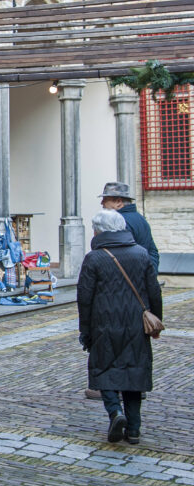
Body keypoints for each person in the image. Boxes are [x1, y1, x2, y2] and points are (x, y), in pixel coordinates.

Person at [77, 209, 160, 445]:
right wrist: (156, 322)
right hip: (135, 324)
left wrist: (85, 330)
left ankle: (115, 412)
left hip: (104, 325)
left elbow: (84, 298)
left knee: (105, 370)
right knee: (133, 373)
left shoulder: (94, 258)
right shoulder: (141, 254)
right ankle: (133, 430)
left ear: (98, 231)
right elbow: (154, 291)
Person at [99, 181, 159, 272]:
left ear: (118, 202)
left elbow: (119, 255)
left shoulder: (119, 222)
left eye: (105, 199)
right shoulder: (139, 218)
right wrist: (150, 273)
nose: (102, 203)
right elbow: (152, 251)